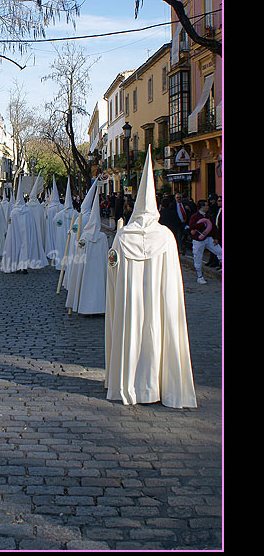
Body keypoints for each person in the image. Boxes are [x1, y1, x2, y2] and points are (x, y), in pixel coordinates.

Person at [104, 146, 197, 409]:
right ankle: (157, 384)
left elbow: (112, 270)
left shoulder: (122, 237)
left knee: (131, 333)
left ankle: (130, 382)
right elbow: (173, 280)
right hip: (158, 301)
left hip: (130, 304)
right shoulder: (166, 237)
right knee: (157, 332)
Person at [65, 183, 108, 315]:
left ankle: (85, 305)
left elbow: (77, 245)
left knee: (85, 284)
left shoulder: (84, 236)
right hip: (98, 269)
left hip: (86, 266)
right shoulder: (102, 237)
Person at [188, 200, 222, 285]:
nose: (208, 206)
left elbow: (214, 228)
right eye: (206, 205)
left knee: (220, 251)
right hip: (198, 240)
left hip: (209, 238)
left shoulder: (209, 216)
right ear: (202, 207)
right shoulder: (195, 216)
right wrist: (202, 224)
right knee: (198, 256)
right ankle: (200, 276)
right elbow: (191, 226)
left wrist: (216, 238)